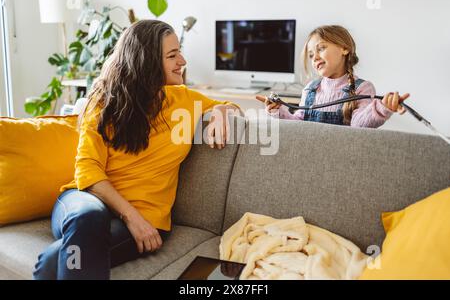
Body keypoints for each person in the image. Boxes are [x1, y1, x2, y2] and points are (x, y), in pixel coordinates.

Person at [33, 20, 241, 280]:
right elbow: (87, 170)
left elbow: (231, 106)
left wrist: (222, 110)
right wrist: (132, 218)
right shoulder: (103, 102)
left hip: (149, 216)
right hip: (83, 200)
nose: (183, 60)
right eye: (172, 55)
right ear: (147, 62)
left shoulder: (183, 100)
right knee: (89, 217)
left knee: (54, 261)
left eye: (180, 52)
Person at [256, 25, 409, 127]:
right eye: (310, 55)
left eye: (321, 48)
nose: (314, 58)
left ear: (344, 48)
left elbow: (359, 125)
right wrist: (278, 111)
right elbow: (298, 124)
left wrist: (382, 108)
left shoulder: (363, 88)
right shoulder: (310, 89)